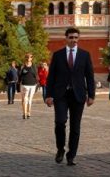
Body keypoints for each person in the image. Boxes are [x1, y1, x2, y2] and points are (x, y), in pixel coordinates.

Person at [44, 27, 95, 166]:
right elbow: (51, 77)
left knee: (75, 127)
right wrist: (48, 95)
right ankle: (60, 148)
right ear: (66, 38)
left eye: (76, 38)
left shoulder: (85, 55)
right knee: (60, 122)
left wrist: (91, 95)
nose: (73, 40)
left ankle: (71, 155)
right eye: (71, 37)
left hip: (78, 95)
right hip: (61, 94)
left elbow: (89, 76)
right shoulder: (58, 55)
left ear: (78, 39)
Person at [19, 53, 39, 119]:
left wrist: (37, 83)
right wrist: (19, 82)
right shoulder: (23, 66)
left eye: (30, 57)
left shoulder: (34, 66)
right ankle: (24, 113)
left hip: (32, 85)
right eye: (27, 57)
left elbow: (36, 75)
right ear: (25, 58)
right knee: (25, 99)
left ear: (32, 58)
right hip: (24, 84)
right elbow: (20, 75)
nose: (28, 58)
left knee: (30, 99)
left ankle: (28, 112)